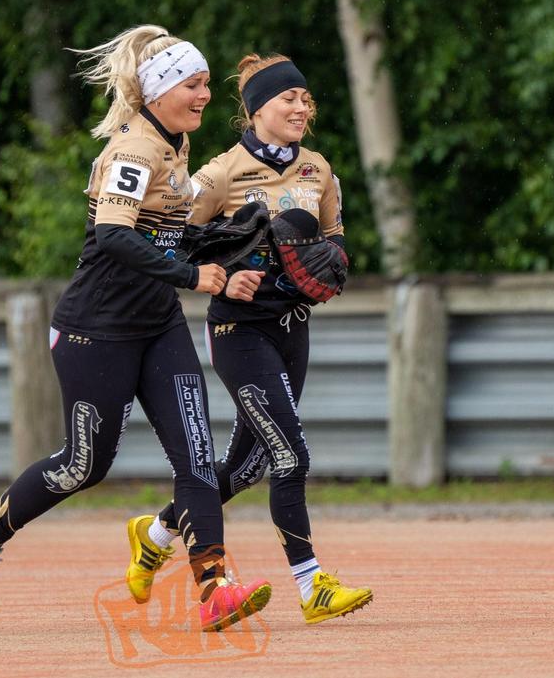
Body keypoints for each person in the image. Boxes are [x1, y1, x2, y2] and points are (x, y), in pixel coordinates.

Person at [0, 25, 271, 633]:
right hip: (95, 330)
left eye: (207, 83)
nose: (206, 94)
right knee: (85, 465)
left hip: (158, 324)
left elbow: (164, 233)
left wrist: (221, 244)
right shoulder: (134, 150)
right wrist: (193, 275)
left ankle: (214, 587)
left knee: (196, 455)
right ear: (158, 91)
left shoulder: (176, 140)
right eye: (194, 84)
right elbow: (113, 236)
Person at [124, 53, 373, 625]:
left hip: (293, 329)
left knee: (244, 468)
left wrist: (330, 265)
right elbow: (168, 240)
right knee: (292, 455)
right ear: (258, 109)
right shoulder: (219, 174)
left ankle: (154, 535)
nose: (301, 107)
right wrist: (220, 268)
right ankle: (312, 585)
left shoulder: (318, 169)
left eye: (306, 98)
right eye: (289, 98)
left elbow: (334, 242)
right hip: (239, 332)